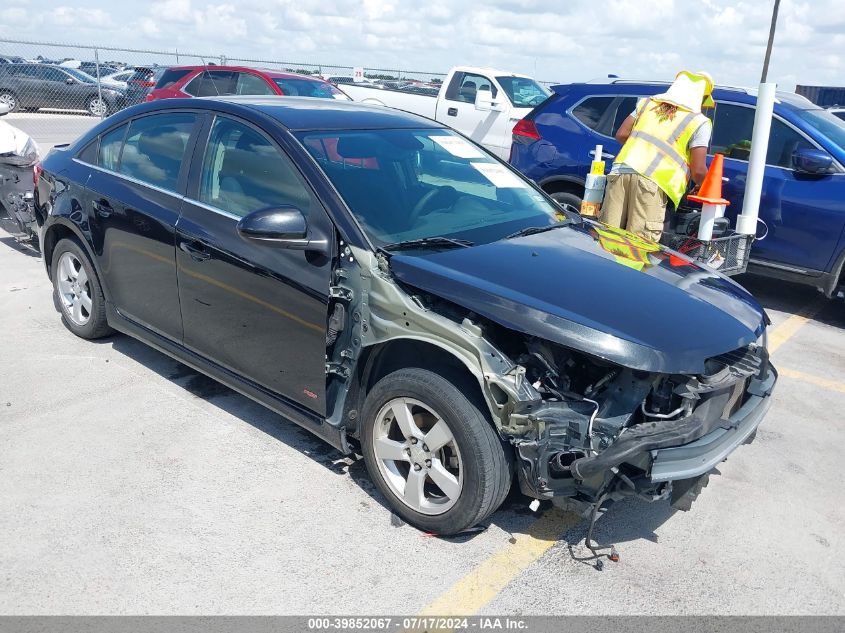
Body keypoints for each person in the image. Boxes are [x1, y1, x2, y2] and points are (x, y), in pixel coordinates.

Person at [600, 70, 715, 242]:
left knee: (608, 235)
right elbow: (698, 169)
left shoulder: (646, 104)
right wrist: (703, 185)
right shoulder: (699, 122)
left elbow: (622, 134)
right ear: (701, 97)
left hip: (620, 172)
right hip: (653, 183)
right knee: (639, 243)